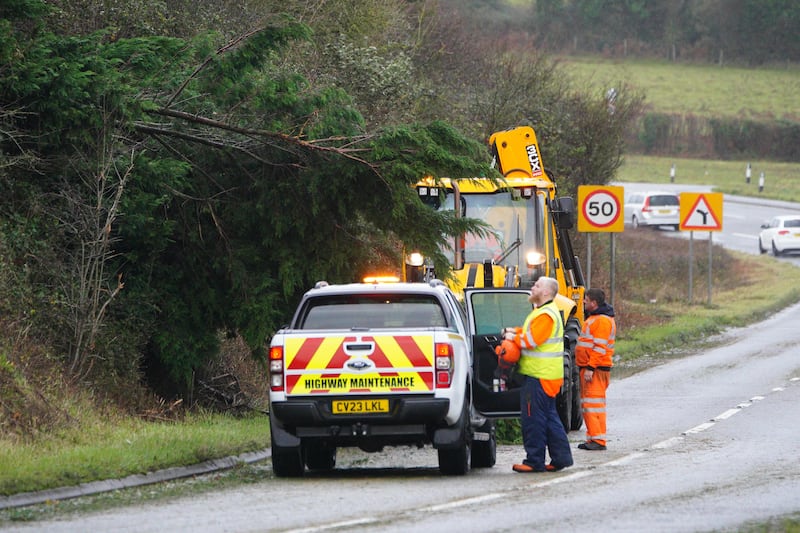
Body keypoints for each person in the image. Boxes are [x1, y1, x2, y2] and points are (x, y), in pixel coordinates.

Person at [502, 276, 573, 473]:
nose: (533, 287)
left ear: (546, 293)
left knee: (533, 419)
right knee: (549, 418)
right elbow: (529, 332)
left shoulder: (545, 315)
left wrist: (511, 337)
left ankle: (534, 461)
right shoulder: (543, 312)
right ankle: (561, 458)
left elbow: (530, 340)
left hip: (538, 376)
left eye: (537, 285)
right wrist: (513, 331)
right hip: (547, 375)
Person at [575, 288, 616, 451]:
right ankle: (593, 438)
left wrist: (591, 367)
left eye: (586, 299)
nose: (583, 302)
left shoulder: (602, 321)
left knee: (594, 405)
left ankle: (598, 440)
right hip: (590, 367)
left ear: (594, 303)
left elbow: (599, 347)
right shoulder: (596, 318)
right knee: (589, 404)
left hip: (595, 369)